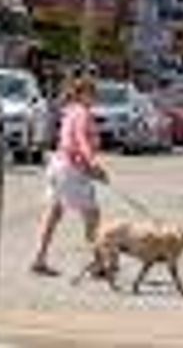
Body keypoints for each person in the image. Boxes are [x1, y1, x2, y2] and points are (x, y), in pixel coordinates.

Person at [31, 77, 108, 276]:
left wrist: (89, 165)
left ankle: (39, 257)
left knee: (53, 213)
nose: (95, 98)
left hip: (58, 165)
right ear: (82, 94)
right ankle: (98, 263)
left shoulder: (70, 111)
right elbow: (81, 140)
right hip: (72, 170)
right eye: (92, 93)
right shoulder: (82, 113)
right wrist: (92, 163)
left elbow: (70, 140)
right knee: (92, 215)